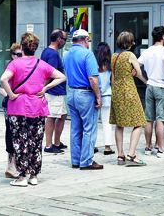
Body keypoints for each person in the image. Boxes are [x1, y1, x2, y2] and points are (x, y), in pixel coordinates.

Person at [0, 32, 65, 186]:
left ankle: (22, 177)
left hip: (18, 107)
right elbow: (61, 77)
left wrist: (11, 95)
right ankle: (33, 176)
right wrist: (46, 87)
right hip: (38, 106)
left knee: (20, 142)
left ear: (22, 47)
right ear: (35, 48)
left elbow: (3, 79)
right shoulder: (41, 64)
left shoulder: (15, 64)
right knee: (36, 142)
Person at [63, 29, 103, 170]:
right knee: (89, 129)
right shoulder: (87, 54)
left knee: (75, 128)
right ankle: (86, 161)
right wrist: (98, 96)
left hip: (72, 92)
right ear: (85, 40)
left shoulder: (66, 55)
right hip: (85, 94)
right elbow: (92, 78)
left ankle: (76, 160)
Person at [138, 26, 164, 158]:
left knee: (149, 119)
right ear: (163, 37)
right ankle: (161, 149)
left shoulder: (148, 51)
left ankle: (148, 147)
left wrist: (144, 79)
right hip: (162, 87)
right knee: (161, 119)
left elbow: (136, 66)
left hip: (150, 86)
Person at [109, 32, 147, 166]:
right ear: (129, 43)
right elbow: (139, 73)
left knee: (119, 124)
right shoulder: (130, 55)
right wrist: (136, 73)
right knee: (139, 122)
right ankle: (131, 154)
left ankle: (120, 155)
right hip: (129, 90)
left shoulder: (114, 56)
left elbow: (113, 77)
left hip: (117, 91)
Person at [41, 29, 68, 153]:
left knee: (62, 115)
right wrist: (44, 88)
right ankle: (49, 145)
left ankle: (56, 142)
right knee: (51, 117)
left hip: (54, 90)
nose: (65, 42)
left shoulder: (47, 51)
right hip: (54, 91)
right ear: (58, 39)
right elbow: (49, 73)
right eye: (64, 39)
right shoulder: (53, 54)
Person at [0, 42, 22, 179]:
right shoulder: (11, 67)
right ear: (12, 56)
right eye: (18, 54)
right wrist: (10, 95)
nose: (21, 57)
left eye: (22, 54)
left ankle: (13, 165)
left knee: (15, 132)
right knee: (11, 132)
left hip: (15, 103)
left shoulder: (19, 67)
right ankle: (11, 165)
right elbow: (2, 85)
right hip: (10, 104)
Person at [94, 42, 115, 155]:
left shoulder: (93, 64)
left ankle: (93, 145)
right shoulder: (110, 66)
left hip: (95, 96)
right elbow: (112, 82)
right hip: (107, 96)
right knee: (106, 122)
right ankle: (107, 147)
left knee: (93, 122)